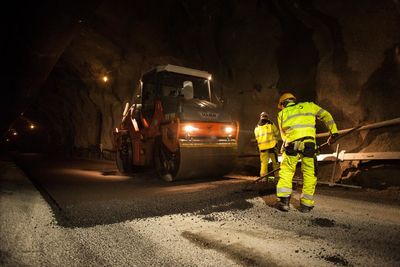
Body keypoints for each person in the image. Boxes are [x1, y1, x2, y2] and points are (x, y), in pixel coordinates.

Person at [276, 93, 338, 212]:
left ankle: (284, 202)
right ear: (293, 100)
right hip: (309, 144)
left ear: (283, 104)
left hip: (291, 144)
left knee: (287, 171)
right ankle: (306, 205)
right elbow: (326, 115)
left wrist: (284, 149)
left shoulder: (282, 114)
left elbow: (283, 135)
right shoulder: (309, 106)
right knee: (309, 173)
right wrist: (333, 132)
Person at [254, 112, 280, 181]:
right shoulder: (271, 124)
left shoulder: (257, 127)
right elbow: (277, 133)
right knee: (275, 163)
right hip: (272, 147)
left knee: (264, 163)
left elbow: (257, 137)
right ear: (267, 117)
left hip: (262, 148)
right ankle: (277, 177)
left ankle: (263, 178)